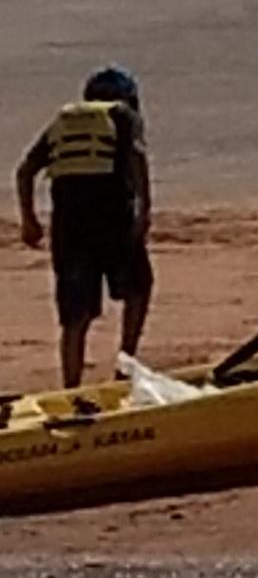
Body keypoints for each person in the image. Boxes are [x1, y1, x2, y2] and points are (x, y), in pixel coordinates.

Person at [18, 67, 153, 391]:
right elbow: (137, 158)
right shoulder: (123, 116)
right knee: (138, 289)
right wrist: (144, 209)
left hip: (69, 226)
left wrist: (29, 220)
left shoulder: (62, 122)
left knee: (75, 315)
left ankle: (71, 386)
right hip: (112, 219)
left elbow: (25, 171)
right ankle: (125, 365)